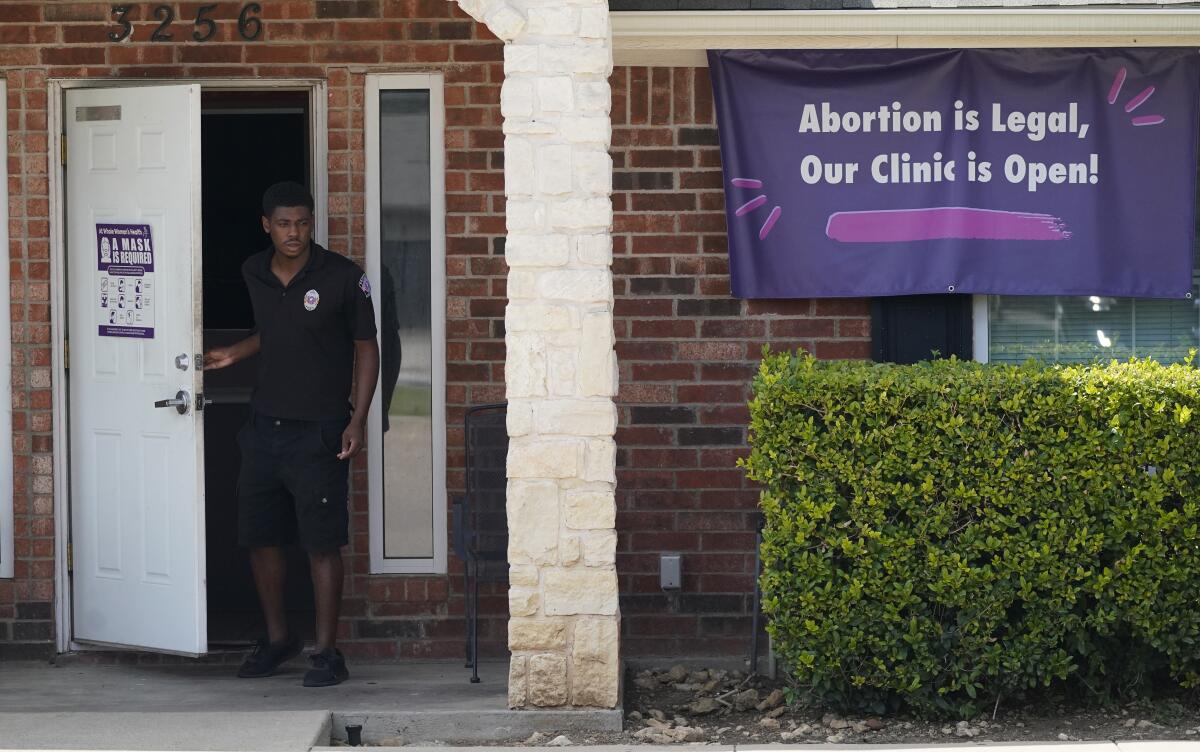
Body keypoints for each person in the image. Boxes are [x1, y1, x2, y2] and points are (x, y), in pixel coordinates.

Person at [203, 181, 379, 687]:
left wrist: (357, 418)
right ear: (266, 225)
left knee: (322, 544)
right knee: (262, 538)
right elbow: (278, 329)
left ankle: (326, 652)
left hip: (320, 431)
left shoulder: (344, 277)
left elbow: (366, 348)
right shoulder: (253, 272)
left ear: (311, 222)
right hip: (263, 428)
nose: (294, 232)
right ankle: (279, 640)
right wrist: (236, 352)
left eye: (302, 222)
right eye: (283, 223)